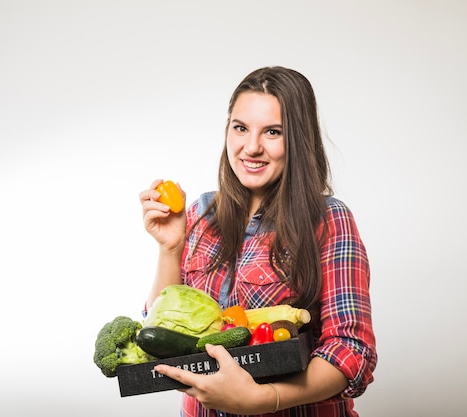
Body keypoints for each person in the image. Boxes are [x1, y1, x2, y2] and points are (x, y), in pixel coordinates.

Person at [139, 66, 377, 417]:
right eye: (240, 128)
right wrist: (169, 248)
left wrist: (261, 400)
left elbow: (351, 351)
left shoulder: (328, 221)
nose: (251, 147)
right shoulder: (200, 214)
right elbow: (162, 329)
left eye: (273, 132)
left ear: (298, 139)